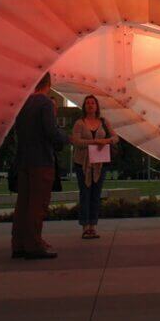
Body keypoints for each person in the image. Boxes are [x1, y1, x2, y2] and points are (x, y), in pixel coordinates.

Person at [12, 73, 66, 260]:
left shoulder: (23, 103)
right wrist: (65, 139)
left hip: (24, 160)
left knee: (23, 204)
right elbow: (51, 131)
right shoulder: (45, 103)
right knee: (38, 204)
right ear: (49, 84)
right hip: (42, 160)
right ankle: (34, 244)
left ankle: (18, 243)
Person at [70, 95, 119, 239]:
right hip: (82, 163)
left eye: (92, 103)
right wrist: (95, 142)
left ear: (97, 106)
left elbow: (115, 138)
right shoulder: (79, 123)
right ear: (84, 106)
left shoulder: (104, 122)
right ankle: (85, 227)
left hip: (99, 163)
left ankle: (93, 226)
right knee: (85, 194)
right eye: (87, 103)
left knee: (96, 195)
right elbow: (76, 141)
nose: (90, 105)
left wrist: (105, 141)